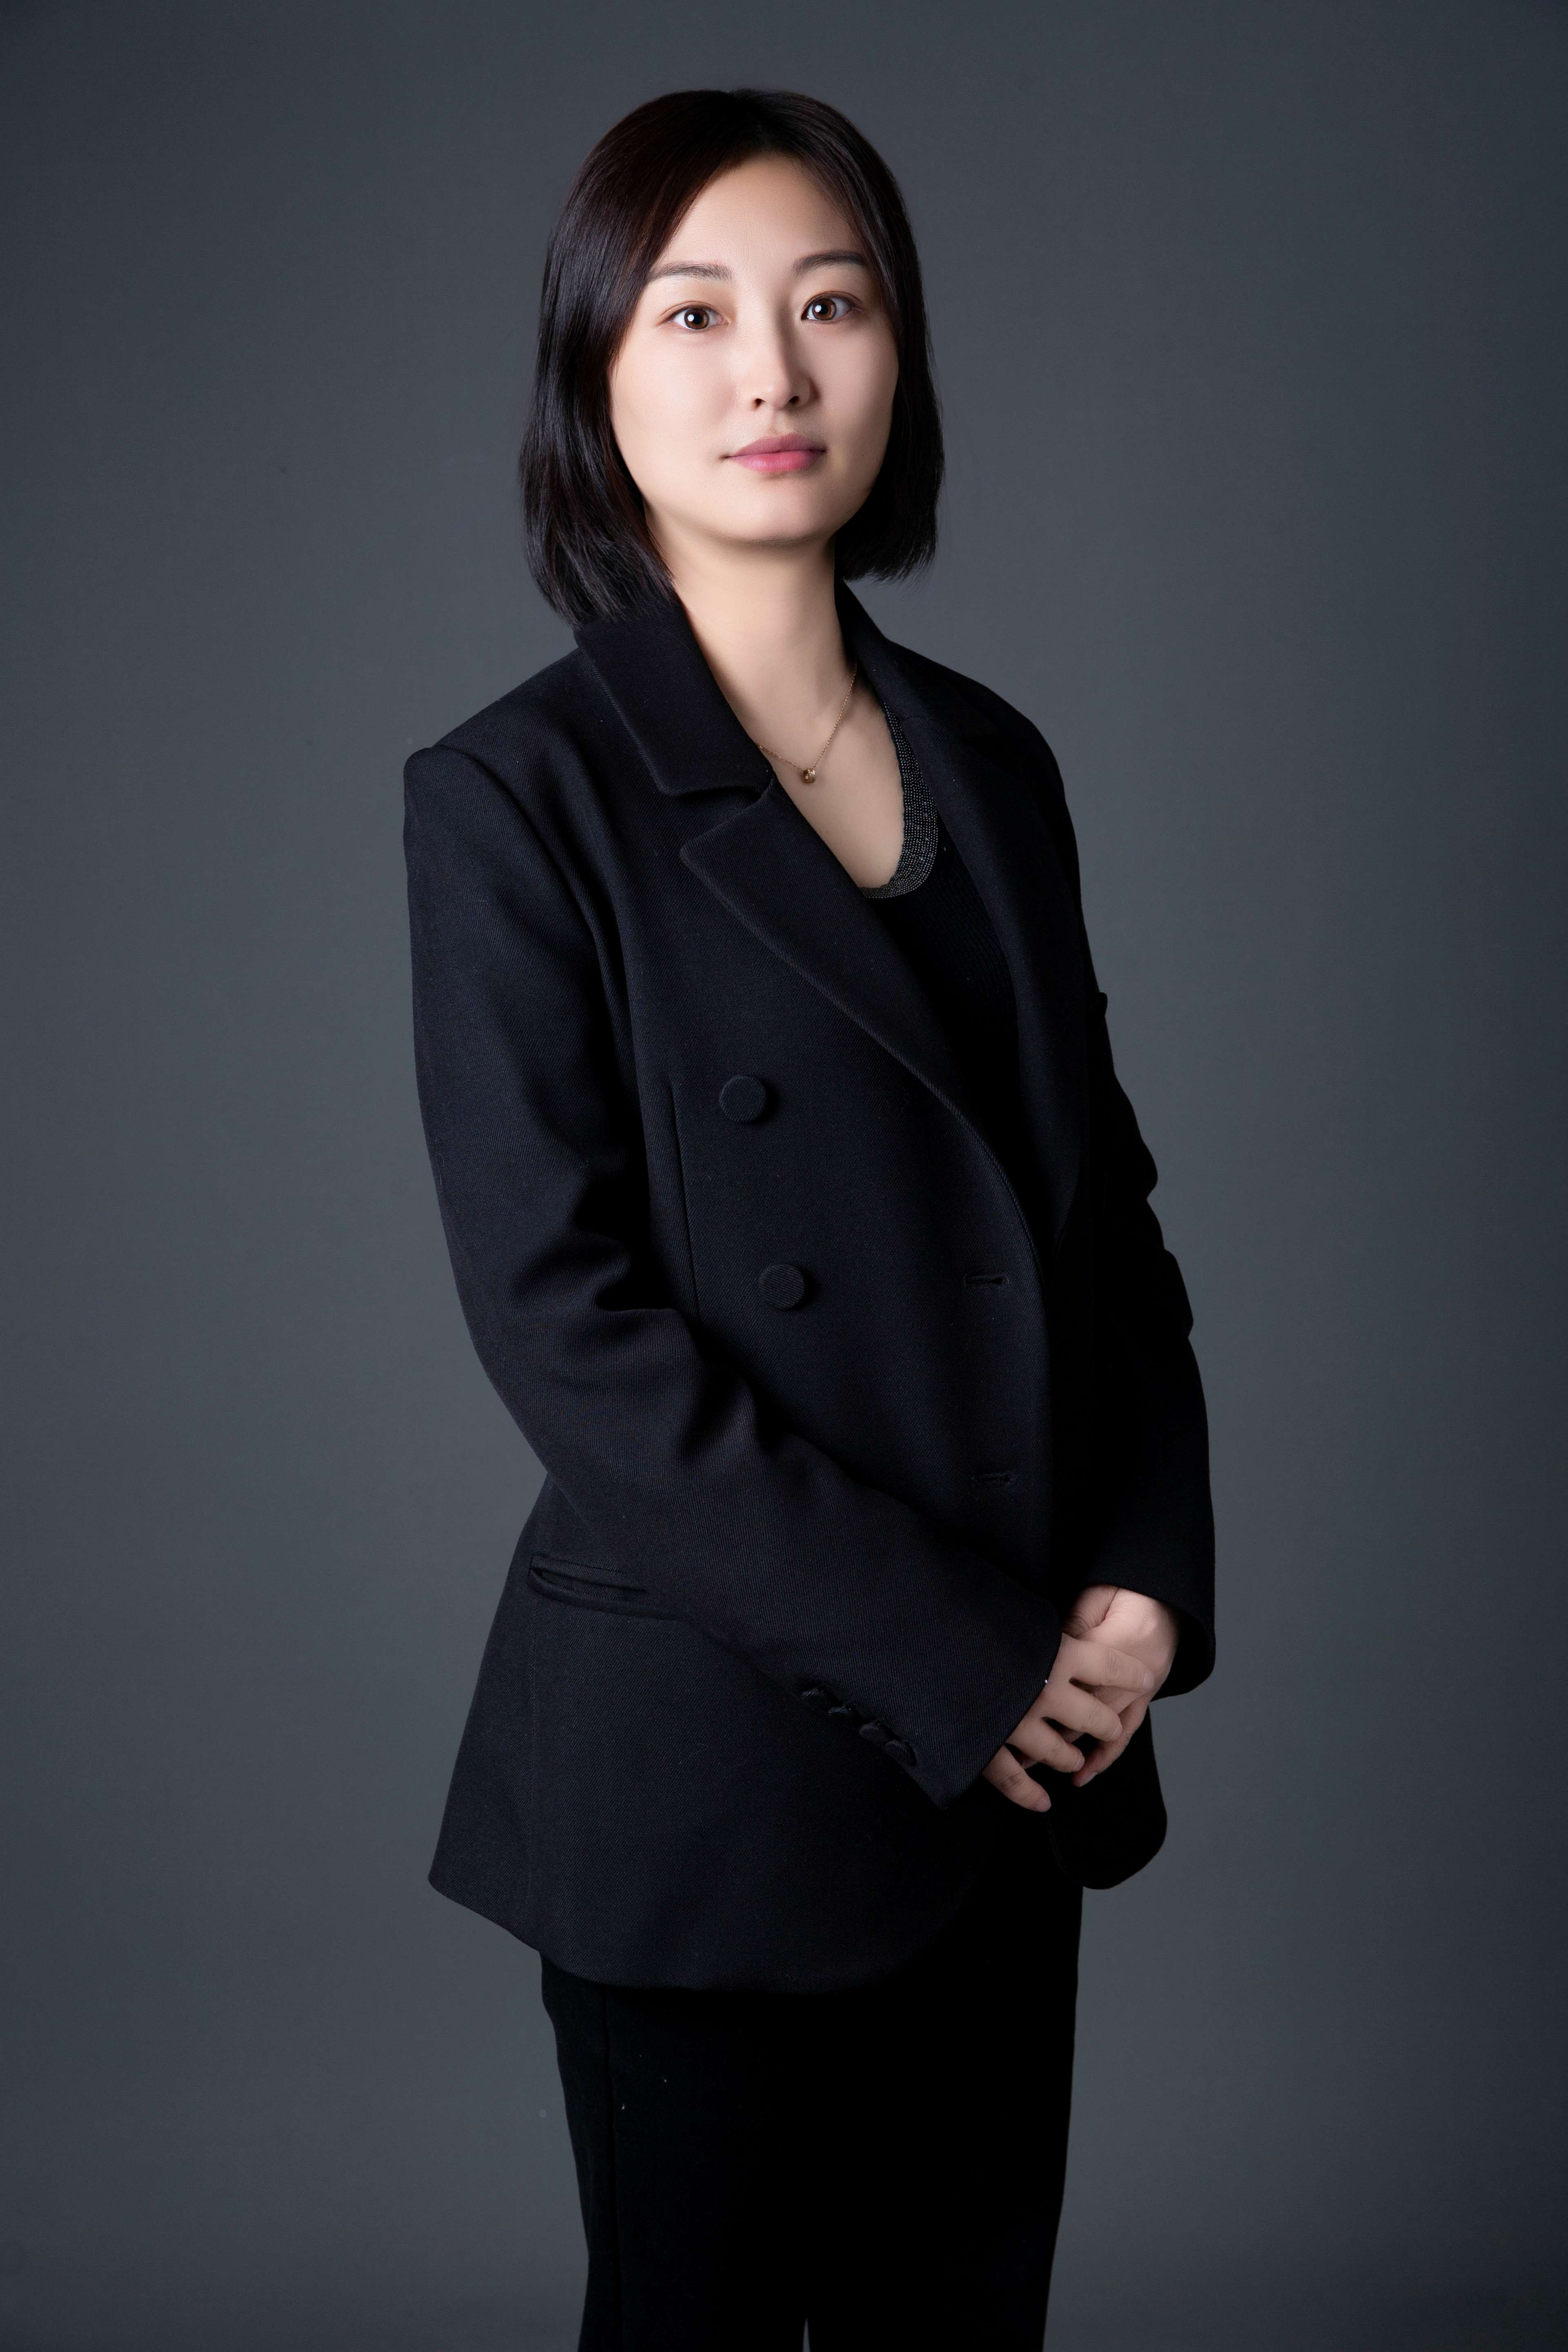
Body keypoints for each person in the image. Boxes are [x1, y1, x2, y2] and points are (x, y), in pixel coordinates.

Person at [402, 85, 1215, 2352]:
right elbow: (570, 1331)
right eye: (694, 314)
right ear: (596, 376)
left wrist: (1146, 1575)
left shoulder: (996, 763)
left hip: (1024, 1759)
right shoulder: (515, 797)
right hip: (720, 1773)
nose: (772, 370)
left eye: (832, 306)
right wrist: (969, 1667)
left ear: (899, 359)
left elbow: (1102, 1221)